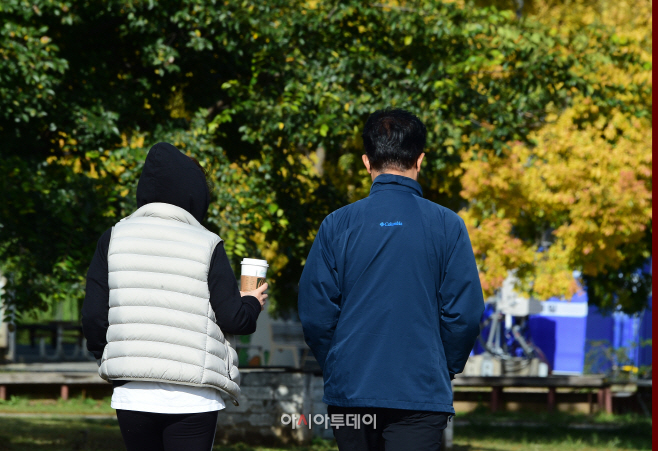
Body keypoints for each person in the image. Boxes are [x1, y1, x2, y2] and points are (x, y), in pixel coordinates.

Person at [298, 109, 484, 451]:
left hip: (351, 390)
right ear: (420, 159)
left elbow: (315, 313)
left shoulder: (337, 225)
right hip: (420, 391)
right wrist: (444, 365)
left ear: (367, 162)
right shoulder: (447, 225)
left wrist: (341, 362)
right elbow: (465, 314)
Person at [82, 142, 268, 451]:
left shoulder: (113, 237)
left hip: (133, 392)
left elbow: (93, 317)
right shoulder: (207, 243)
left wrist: (108, 356)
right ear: (194, 192)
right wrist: (251, 300)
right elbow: (235, 319)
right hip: (194, 396)